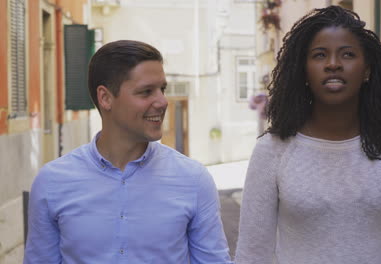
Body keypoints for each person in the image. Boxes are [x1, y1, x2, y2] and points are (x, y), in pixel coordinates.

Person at [235, 6, 381, 264]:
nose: (333, 64)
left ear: (367, 70)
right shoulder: (273, 149)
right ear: (303, 71)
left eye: (348, 54)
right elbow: (252, 254)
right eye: (319, 55)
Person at [24, 40, 232, 263]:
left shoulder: (194, 180)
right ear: (105, 98)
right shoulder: (51, 183)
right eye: (146, 92)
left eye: (162, 89)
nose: (162, 102)